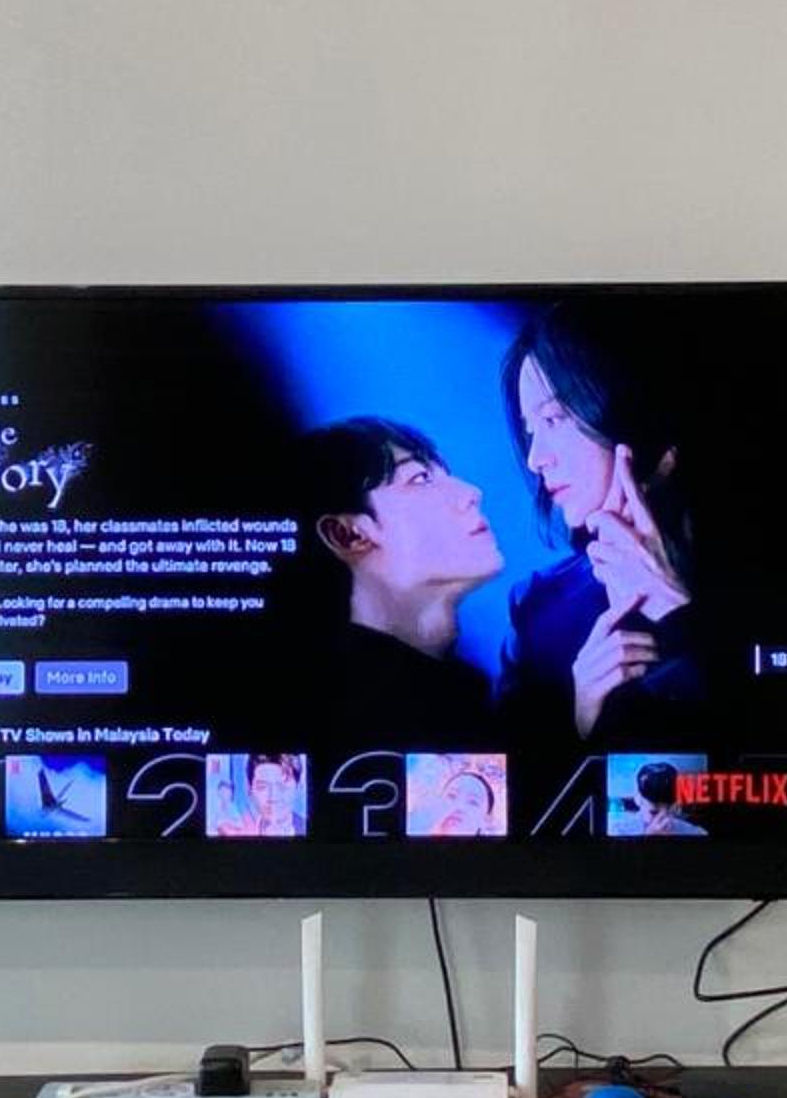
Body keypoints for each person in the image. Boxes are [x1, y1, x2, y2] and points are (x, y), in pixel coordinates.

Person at [496, 310, 704, 747]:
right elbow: (505, 775)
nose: (535, 459)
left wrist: (678, 615)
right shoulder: (537, 607)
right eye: (531, 431)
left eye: (553, 419)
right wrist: (580, 722)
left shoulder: (782, 574)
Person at [288, 416, 504, 754]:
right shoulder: (335, 715)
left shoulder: (471, 693)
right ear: (349, 534)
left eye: (443, 475)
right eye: (420, 479)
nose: (471, 493)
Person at [622, 759, 708, 837]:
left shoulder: (696, 833)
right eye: (654, 812)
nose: (664, 820)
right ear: (637, 799)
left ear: (676, 806)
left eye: (670, 810)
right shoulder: (619, 830)